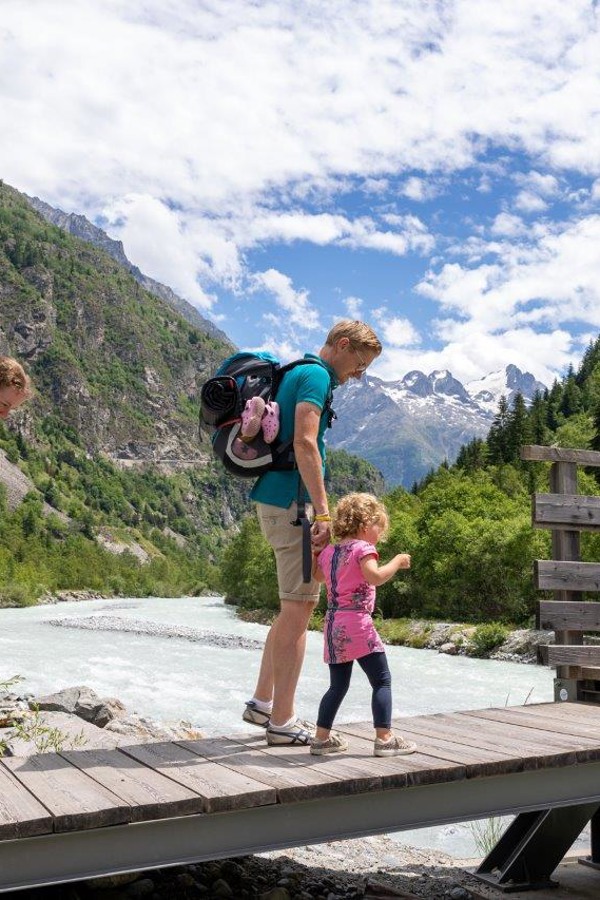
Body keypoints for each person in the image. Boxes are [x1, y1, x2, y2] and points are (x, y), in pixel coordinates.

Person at [242, 320, 382, 746]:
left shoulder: (297, 371)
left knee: (290, 610)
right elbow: (305, 443)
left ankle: (263, 703)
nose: (359, 374)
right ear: (342, 345)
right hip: (294, 506)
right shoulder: (317, 377)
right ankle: (282, 723)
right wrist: (323, 514)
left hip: (276, 500)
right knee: (300, 610)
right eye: (359, 364)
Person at [309, 492, 417, 757]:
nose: (380, 534)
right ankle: (384, 739)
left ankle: (321, 740)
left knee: (337, 686)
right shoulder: (363, 549)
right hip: (357, 622)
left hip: (333, 624)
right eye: (379, 528)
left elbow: (317, 576)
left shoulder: (331, 551)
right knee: (381, 680)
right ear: (366, 524)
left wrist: (316, 552)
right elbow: (375, 577)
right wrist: (397, 561)